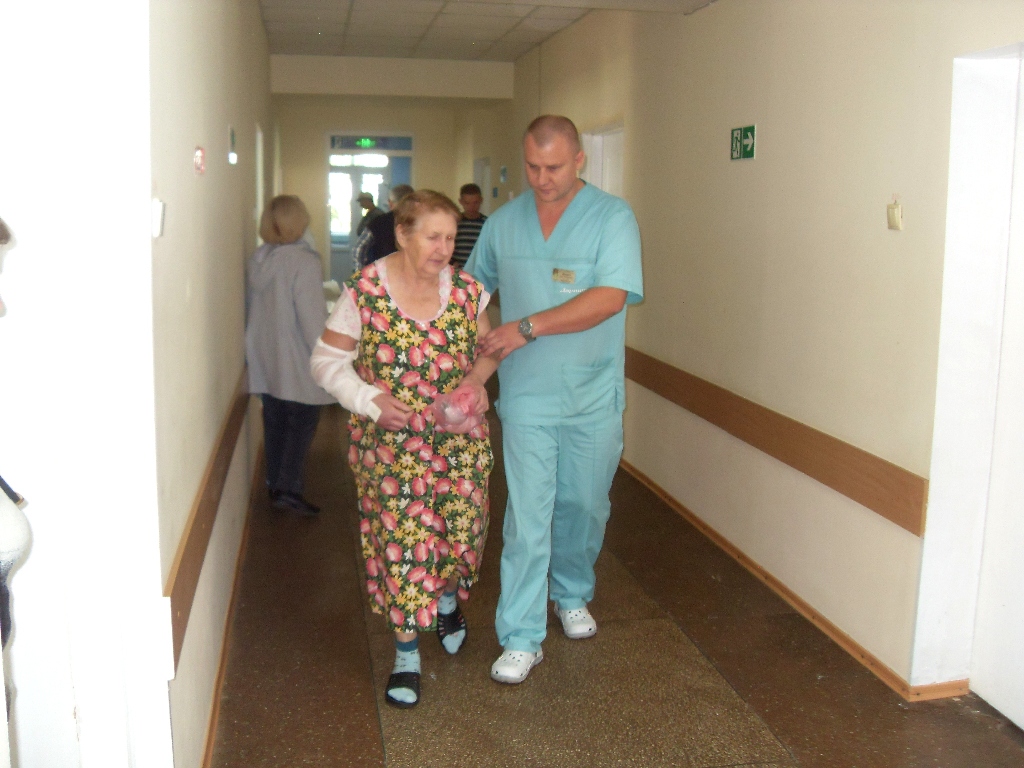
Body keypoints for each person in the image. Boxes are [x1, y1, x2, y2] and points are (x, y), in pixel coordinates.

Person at [465, 115, 643, 684]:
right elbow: (471, 292)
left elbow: (610, 298)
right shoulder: (503, 224)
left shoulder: (612, 217)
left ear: (579, 160)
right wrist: (482, 358)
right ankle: (521, 636)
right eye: (533, 167)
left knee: (583, 506)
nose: (542, 179)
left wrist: (526, 327)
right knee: (527, 518)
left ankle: (570, 591)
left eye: (555, 167)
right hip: (527, 396)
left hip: (592, 394)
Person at [311, 189, 499, 709]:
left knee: (461, 534)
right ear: (402, 233)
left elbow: (488, 350)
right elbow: (324, 362)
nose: (444, 249)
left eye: (450, 238)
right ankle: (406, 654)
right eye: (433, 237)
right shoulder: (365, 292)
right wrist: (368, 400)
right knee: (404, 548)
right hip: (391, 453)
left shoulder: (467, 291)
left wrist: (476, 381)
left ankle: (447, 601)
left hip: (459, 445)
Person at [246, 195, 335, 516]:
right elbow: (312, 320)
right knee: (301, 425)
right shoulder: (304, 262)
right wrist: (329, 359)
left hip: (266, 359)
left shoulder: (259, 259)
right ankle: (289, 488)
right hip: (296, 360)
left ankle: (275, 483)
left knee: (275, 424)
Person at [365, 183, 415, 265]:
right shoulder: (419, 221)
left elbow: (358, 249)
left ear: (390, 203)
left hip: (383, 268)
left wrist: (361, 270)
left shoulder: (378, 222)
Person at [452, 183, 487, 272]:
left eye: (475, 203)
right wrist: (452, 262)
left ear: (481, 200)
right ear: (460, 202)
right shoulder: (455, 223)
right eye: (467, 203)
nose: (471, 207)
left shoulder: (487, 224)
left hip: (479, 272)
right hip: (458, 271)